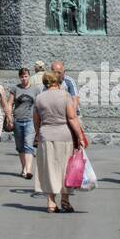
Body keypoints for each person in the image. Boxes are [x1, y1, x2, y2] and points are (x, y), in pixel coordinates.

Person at [33, 70, 86, 213]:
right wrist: (80, 136)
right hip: (64, 135)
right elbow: (72, 118)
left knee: (49, 168)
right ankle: (65, 200)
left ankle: (51, 202)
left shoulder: (39, 98)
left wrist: (37, 134)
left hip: (46, 135)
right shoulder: (65, 96)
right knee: (65, 169)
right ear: (57, 81)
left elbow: (36, 119)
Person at [9, 66, 39, 178]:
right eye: (22, 77)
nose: (24, 79)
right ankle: (24, 168)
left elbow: (39, 104)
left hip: (30, 120)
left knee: (28, 145)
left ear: (29, 76)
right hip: (18, 120)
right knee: (20, 146)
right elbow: (9, 103)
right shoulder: (15, 88)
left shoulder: (35, 89)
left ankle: (29, 170)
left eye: (26, 76)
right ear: (19, 77)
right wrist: (9, 116)